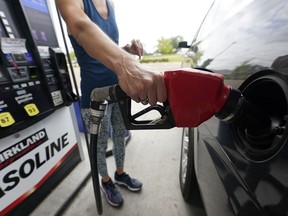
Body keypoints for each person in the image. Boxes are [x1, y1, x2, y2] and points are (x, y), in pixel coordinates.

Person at [55, 0, 167, 207]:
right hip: (94, 96)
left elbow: (105, 46)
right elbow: (79, 26)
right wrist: (127, 63)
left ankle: (120, 174)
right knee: (98, 146)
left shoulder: (110, 3)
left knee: (119, 136)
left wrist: (125, 50)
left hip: (117, 91)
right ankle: (106, 182)